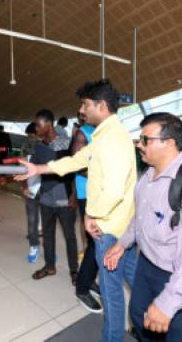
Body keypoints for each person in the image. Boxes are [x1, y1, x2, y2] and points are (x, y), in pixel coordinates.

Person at [16, 79, 138, 342]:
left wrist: (91, 215)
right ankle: (146, 326)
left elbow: (114, 191)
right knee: (135, 281)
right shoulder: (105, 135)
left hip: (108, 228)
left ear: (101, 105)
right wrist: (39, 169)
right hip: (120, 225)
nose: (82, 110)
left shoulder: (113, 140)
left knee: (111, 292)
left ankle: (113, 338)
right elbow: (78, 160)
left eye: (85, 104)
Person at [105, 113, 182, 342]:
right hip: (147, 265)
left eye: (145, 139)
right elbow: (140, 218)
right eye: (139, 138)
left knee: (178, 335)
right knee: (139, 317)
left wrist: (169, 301)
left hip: (180, 272)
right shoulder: (148, 175)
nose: (139, 144)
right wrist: (123, 242)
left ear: (169, 143)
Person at [27, 109, 78, 283]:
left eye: (38, 124)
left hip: (65, 197)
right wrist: (26, 186)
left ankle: (74, 270)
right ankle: (50, 266)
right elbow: (32, 168)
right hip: (46, 197)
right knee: (48, 234)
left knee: (69, 235)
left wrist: (74, 195)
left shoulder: (66, 143)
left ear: (48, 125)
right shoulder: (39, 146)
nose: (36, 128)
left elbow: (74, 170)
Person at [71, 112, 102, 314]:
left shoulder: (102, 132)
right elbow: (77, 164)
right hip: (88, 194)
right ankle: (82, 288)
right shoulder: (83, 134)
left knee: (98, 241)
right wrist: (104, 175)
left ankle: (88, 280)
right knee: (95, 241)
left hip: (101, 194)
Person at [21, 122, 42, 263]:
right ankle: (34, 246)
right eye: (29, 135)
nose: (31, 138)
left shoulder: (47, 145)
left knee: (45, 221)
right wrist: (24, 187)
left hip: (46, 188)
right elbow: (21, 167)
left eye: (33, 134)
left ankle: (48, 251)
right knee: (32, 219)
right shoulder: (25, 146)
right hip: (31, 187)